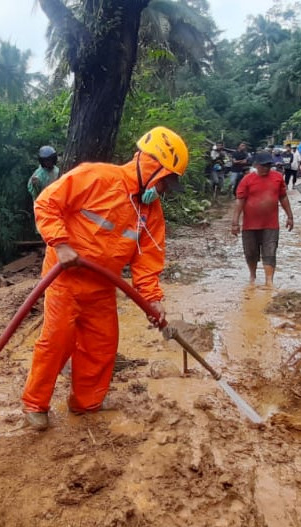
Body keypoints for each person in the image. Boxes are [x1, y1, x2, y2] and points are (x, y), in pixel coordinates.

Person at [22, 127, 188, 430]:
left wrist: (153, 299)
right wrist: (60, 244)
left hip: (101, 286)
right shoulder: (96, 177)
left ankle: (86, 402)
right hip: (65, 281)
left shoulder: (149, 211)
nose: (163, 190)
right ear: (151, 166)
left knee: (102, 345)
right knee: (57, 341)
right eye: (164, 181)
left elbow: (147, 259)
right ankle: (36, 403)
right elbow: (47, 203)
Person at [231, 151, 295, 288]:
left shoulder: (277, 177)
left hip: (271, 223)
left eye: (269, 165)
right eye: (264, 165)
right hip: (250, 224)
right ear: (256, 165)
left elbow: (283, 197)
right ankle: (253, 276)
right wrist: (235, 222)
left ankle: (269, 281)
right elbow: (240, 201)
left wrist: (290, 216)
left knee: (270, 251)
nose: (266, 168)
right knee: (251, 252)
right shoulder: (247, 180)